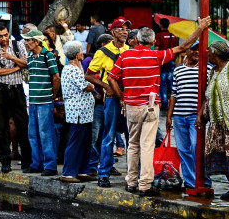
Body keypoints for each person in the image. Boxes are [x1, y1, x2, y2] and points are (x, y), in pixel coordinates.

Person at [108, 16, 210, 196]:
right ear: (154, 41)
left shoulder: (124, 55)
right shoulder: (156, 55)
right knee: (146, 145)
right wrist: (201, 27)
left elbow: (111, 78)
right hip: (149, 105)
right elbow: (183, 47)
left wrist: (122, 97)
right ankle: (145, 185)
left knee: (132, 144)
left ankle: (131, 182)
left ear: (137, 40)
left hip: (131, 105)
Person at [85, 17, 130, 187]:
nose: (124, 31)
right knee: (108, 137)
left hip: (128, 100)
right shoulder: (102, 52)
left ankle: (133, 174)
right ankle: (103, 173)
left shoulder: (129, 50)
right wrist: (105, 86)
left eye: (126, 29)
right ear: (113, 32)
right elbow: (88, 75)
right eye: (120, 29)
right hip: (111, 100)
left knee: (130, 139)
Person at [0, 22, 31, 173]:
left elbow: (27, 63)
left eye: (5, 35)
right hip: (0, 90)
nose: (4, 38)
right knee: (1, 127)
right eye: (0, 36)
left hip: (17, 89)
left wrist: (11, 57)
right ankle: (5, 160)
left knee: (23, 125)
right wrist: (17, 67)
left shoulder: (18, 45)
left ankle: (26, 161)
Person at [167, 42, 211, 190]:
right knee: (183, 149)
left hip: (196, 116)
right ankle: (191, 182)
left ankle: (204, 179)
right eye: (193, 49)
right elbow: (174, 93)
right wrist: (169, 116)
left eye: (199, 50)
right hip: (179, 116)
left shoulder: (207, 69)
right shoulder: (178, 70)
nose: (196, 52)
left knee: (195, 147)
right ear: (187, 51)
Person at [21, 29, 60, 176]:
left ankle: (50, 166)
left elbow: (56, 77)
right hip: (34, 100)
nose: (26, 43)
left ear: (36, 42)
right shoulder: (30, 56)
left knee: (45, 133)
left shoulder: (48, 55)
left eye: (28, 40)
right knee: (33, 133)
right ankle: (36, 164)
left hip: (44, 101)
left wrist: (53, 96)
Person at [197, 41, 229, 199]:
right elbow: (207, 96)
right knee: (222, 156)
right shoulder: (213, 71)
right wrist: (200, 115)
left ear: (216, 54)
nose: (206, 54)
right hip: (216, 124)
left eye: (209, 51)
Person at [59, 41, 97, 183]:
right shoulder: (71, 69)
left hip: (84, 113)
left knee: (84, 143)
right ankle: (68, 172)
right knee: (75, 142)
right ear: (76, 54)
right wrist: (93, 85)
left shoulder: (75, 67)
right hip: (78, 112)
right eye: (81, 51)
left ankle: (81, 171)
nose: (83, 53)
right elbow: (87, 86)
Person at [155, 18, 179, 112]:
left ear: (160, 25)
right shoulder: (173, 36)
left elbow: (156, 49)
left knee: (162, 83)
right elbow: (177, 50)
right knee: (171, 83)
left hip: (162, 62)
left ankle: (165, 104)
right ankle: (174, 104)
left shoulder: (158, 35)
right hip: (171, 61)